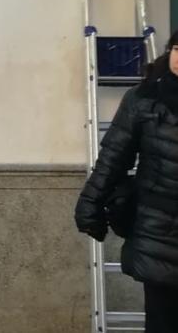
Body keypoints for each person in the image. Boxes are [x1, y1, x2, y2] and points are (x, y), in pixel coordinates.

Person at [76, 29, 178, 332]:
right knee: (162, 320)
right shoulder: (144, 98)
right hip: (157, 230)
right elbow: (113, 158)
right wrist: (89, 205)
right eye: (177, 48)